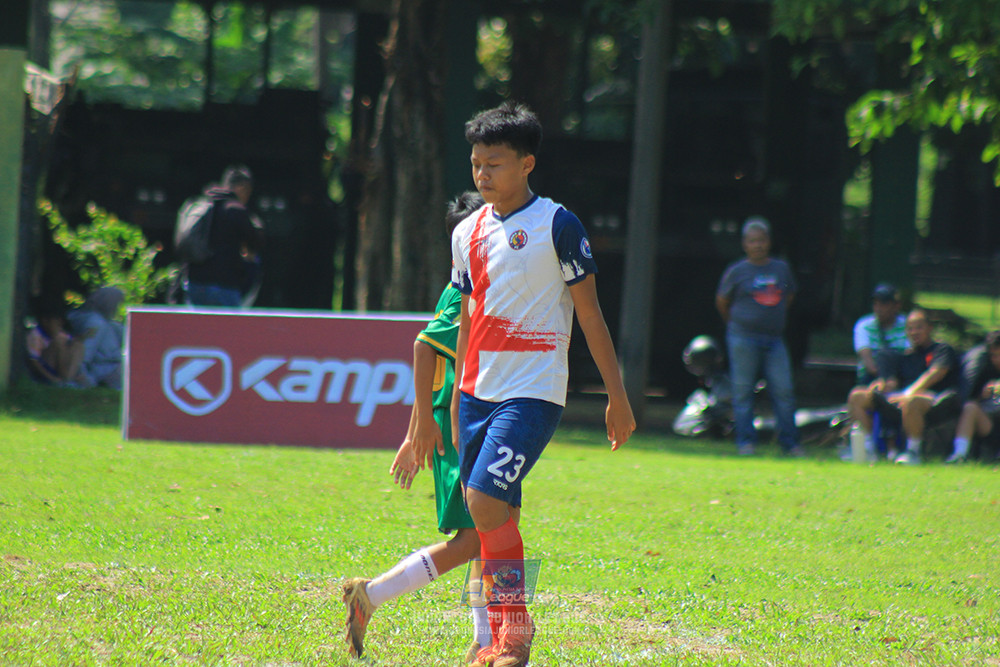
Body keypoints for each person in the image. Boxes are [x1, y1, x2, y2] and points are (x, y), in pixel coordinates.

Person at [450, 101, 635, 667]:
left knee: (484, 503)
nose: (483, 175)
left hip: (532, 392)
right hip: (475, 392)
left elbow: (591, 316)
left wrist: (617, 396)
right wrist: (456, 397)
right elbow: (466, 319)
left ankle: (515, 634)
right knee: (497, 515)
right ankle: (491, 641)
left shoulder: (558, 225)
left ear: (527, 163)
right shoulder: (465, 232)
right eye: (477, 164)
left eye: (496, 164)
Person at [341, 192, 490, 662]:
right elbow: (425, 347)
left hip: (483, 420)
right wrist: (421, 427)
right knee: (474, 538)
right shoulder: (459, 292)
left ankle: (487, 639)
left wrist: (414, 429)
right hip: (459, 429)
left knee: (498, 531)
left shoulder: (489, 286)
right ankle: (373, 594)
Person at [715, 216, 802, 456]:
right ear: (745, 244)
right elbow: (722, 301)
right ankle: (746, 442)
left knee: (783, 391)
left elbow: (789, 296)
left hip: (774, 340)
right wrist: (735, 323)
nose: (758, 245)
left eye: (762, 240)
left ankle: (790, 443)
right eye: (753, 241)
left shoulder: (781, 268)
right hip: (743, 337)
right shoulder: (736, 271)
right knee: (742, 392)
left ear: (769, 242)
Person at [846, 308, 960, 465]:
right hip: (900, 401)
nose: (914, 332)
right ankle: (867, 450)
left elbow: (936, 373)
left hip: (934, 400)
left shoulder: (942, 350)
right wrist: (881, 385)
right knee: (857, 396)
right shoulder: (904, 356)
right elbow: (892, 383)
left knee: (912, 400)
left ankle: (913, 452)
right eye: (910, 328)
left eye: (919, 327)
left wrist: (909, 393)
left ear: (929, 328)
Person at [181, 165, 264, 307]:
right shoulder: (236, 210)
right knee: (228, 328)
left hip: (195, 283)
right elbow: (255, 244)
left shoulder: (203, 204)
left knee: (197, 328)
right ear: (242, 188)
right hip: (225, 285)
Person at [948, 330, 1000, 462]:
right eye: (994, 355)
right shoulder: (984, 368)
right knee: (970, 407)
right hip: (992, 426)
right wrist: (982, 395)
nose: (997, 360)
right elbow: (970, 398)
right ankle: (960, 455)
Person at [66, 286, 126, 390]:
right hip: (103, 369)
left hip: (112, 365)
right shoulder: (95, 322)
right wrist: (86, 379)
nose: (116, 308)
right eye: (115, 304)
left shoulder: (109, 324)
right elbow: (85, 354)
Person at [853, 282, 908, 385]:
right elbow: (868, 363)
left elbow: (911, 355)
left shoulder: (907, 325)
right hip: (872, 378)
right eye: (875, 303)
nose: (878, 308)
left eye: (884, 304)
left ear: (896, 306)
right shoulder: (864, 326)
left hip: (901, 378)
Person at [25, 301, 87, 386]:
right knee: (59, 342)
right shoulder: (35, 335)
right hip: (45, 370)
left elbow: (71, 349)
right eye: (56, 321)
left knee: (77, 345)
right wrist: (51, 378)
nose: (60, 324)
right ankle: (63, 381)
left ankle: (68, 379)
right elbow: (34, 361)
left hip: (60, 370)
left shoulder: (60, 334)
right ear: (45, 321)